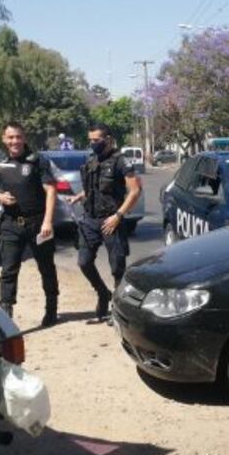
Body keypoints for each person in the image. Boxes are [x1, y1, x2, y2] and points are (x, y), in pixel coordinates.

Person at [0, 121, 59, 326]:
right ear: (4, 139)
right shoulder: (0, 162)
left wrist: (47, 222)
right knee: (8, 270)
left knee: (46, 268)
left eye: (18, 137)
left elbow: (51, 191)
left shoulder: (37, 161)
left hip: (37, 224)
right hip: (10, 225)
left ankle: (51, 309)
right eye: (10, 137)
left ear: (24, 138)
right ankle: (6, 314)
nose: (14, 141)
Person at [70, 123, 142, 321]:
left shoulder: (120, 161)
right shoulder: (92, 159)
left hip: (112, 220)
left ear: (108, 139)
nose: (93, 144)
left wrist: (118, 216)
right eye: (90, 140)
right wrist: (79, 195)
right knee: (84, 262)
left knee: (117, 267)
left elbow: (135, 190)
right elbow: (95, 187)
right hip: (90, 219)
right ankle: (102, 293)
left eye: (96, 140)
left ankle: (117, 310)